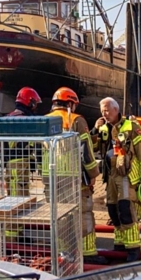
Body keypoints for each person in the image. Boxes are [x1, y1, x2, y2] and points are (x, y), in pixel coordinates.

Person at [47, 87, 103, 264]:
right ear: (70, 103)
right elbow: (86, 150)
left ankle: (64, 253)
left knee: (60, 216)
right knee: (83, 213)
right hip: (75, 177)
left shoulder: (44, 120)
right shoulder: (76, 120)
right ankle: (88, 253)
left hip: (52, 179)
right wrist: (93, 173)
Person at [92, 97, 141, 261]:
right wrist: (95, 130)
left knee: (126, 209)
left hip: (126, 174)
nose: (104, 113)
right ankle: (119, 244)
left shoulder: (131, 127)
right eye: (102, 110)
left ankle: (133, 247)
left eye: (106, 110)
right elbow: (92, 146)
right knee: (112, 209)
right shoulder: (103, 128)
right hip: (110, 175)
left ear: (116, 110)